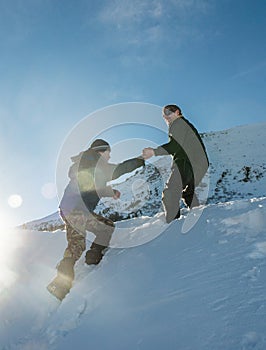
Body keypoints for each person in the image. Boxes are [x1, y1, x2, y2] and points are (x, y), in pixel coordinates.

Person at [47, 139, 144, 300]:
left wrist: (110, 191)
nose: (109, 156)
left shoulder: (88, 164)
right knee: (77, 245)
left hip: (74, 210)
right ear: (100, 151)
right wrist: (140, 160)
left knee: (104, 227)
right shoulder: (93, 162)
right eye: (108, 152)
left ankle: (92, 257)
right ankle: (59, 285)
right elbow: (118, 169)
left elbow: (90, 186)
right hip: (76, 211)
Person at [142, 104, 209, 224]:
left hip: (187, 162)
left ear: (177, 112)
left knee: (170, 193)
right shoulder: (184, 125)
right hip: (199, 164)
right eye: (164, 115)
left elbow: (176, 146)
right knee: (188, 193)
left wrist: (154, 151)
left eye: (168, 113)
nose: (166, 117)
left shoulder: (178, 124)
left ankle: (173, 226)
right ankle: (199, 219)